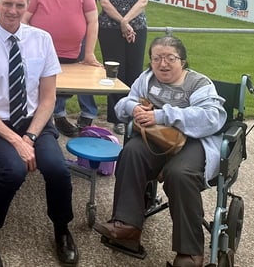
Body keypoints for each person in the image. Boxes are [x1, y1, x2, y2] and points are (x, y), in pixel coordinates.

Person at [0, 0, 79, 266]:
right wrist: (16, 141)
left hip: (35, 123)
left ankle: (61, 229)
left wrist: (28, 137)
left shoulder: (42, 40)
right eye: (7, 4)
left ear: (27, 5)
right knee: (13, 170)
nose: (13, 10)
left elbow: (48, 99)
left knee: (57, 169)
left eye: (19, 4)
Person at [93, 36, 227, 267]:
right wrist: (133, 107)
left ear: (182, 61)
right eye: (157, 58)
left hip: (193, 141)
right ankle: (127, 227)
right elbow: (121, 105)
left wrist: (161, 115)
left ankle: (190, 253)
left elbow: (212, 118)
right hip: (156, 138)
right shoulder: (147, 79)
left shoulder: (198, 84)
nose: (163, 64)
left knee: (180, 174)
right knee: (131, 152)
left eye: (170, 58)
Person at [22, 0, 102, 137]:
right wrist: (30, 45)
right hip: (42, 54)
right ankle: (45, 126)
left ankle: (58, 119)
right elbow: (24, 19)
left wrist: (89, 52)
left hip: (73, 53)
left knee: (66, 89)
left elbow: (93, 21)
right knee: (42, 91)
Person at [98, 0, 149, 135]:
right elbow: (104, 1)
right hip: (110, 29)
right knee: (114, 73)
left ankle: (133, 113)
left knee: (134, 71)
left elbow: (143, 1)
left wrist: (126, 22)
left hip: (136, 29)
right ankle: (116, 117)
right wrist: (122, 22)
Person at [64, 0, 102, 132]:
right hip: (63, 24)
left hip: (85, 21)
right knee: (61, 68)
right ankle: (58, 113)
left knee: (85, 65)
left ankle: (88, 113)